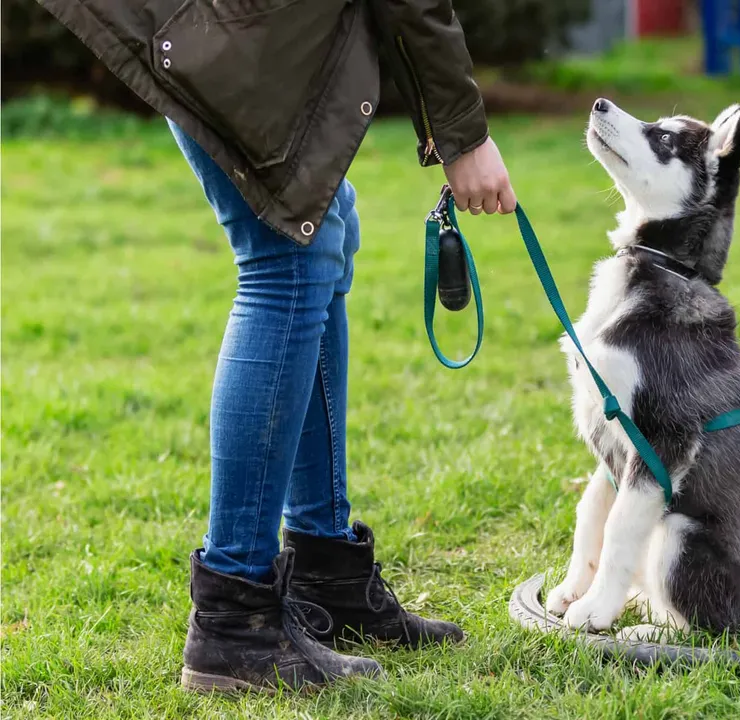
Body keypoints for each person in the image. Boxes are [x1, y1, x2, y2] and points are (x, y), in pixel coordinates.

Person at [39, 0, 516, 693]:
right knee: (287, 262)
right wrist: (463, 136)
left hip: (234, 25)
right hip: (225, 31)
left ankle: (326, 573)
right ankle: (233, 620)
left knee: (327, 225)